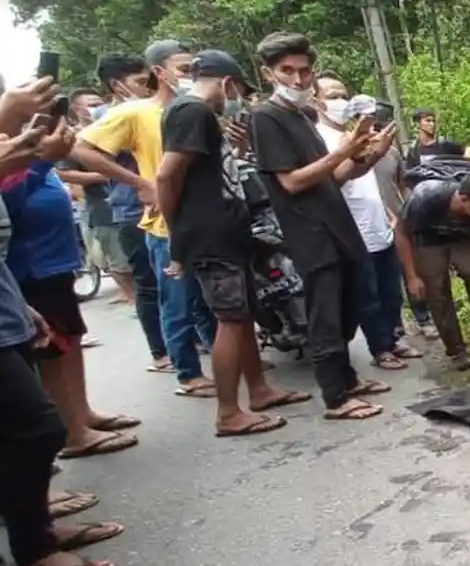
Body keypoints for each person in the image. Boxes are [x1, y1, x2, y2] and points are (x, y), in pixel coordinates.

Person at [158, 49, 311, 437]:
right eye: (239, 91)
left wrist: (238, 150)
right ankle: (229, 413)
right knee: (230, 319)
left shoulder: (204, 118)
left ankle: (258, 390)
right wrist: (179, 237)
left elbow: (211, 176)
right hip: (210, 238)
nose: (239, 99)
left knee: (243, 315)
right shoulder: (190, 112)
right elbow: (166, 177)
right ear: (227, 83)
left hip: (229, 232)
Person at [250, 32, 397, 420]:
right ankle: (335, 398)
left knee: (348, 309)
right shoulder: (265, 118)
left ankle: (347, 379)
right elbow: (292, 182)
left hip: (338, 225)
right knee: (326, 316)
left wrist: (366, 157)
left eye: (304, 71)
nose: (298, 80)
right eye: (287, 71)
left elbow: (332, 177)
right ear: (268, 74)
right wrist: (344, 151)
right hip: (310, 233)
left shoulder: (302, 116)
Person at [73, 40, 218, 397]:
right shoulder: (135, 113)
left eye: (196, 69)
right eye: (184, 70)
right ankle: (187, 373)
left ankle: (228, 358)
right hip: (167, 228)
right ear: (159, 72)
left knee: (211, 301)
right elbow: (79, 148)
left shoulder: (201, 108)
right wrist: (140, 182)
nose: (192, 77)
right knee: (177, 302)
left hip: (209, 222)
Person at [3, 116, 143, 459]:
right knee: (52, 351)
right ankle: (72, 430)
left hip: (56, 263)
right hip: (33, 266)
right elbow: (15, 201)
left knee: (70, 342)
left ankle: (82, 413)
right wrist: (41, 159)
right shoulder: (16, 160)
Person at [312, 73, 421, 370]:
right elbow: (335, 179)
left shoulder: (352, 133)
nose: (341, 101)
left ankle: (393, 340)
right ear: (316, 101)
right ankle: (380, 347)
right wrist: (367, 155)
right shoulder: (318, 138)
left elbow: (369, 180)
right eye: (333, 96)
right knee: (367, 293)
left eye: (343, 94)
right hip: (353, 227)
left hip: (377, 221)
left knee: (389, 289)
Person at [91, 53, 172, 373]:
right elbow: (82, 152)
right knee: (149, 284)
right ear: (117, 85)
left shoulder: (157, 109)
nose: (147, 87)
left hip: (168, 207)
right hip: (134, 209)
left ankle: (188, 341)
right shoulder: (114, 116)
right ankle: (160, 352)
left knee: (173, 280)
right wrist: (137, 181)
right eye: (140, 82)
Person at [400, 172, 470, 371]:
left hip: (460, 236)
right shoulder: (426, 200)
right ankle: (457, 350)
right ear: (463, 199)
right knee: (437, 290)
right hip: (427, 239)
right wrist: (412, 276)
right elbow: (402, 234)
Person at [58, 87, 136, 305]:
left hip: (134, 204)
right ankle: (134, 300)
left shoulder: (115, 128)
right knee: (118, 262)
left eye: (98, 102)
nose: (96, 107)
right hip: (102, 208)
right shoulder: (72, 139)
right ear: (76, 109)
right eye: (91, 104)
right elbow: (64, 173)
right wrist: (106, 174)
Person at [369, 113, 437, 342]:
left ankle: (423, 318)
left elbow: (403, 184)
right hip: (371, 223)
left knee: (412, 270)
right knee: (384, 279)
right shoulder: (354, 155)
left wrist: (412, 209)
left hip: (398, 218)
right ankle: (394, 325)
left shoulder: (393, 153)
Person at [405, 108, 470, 168]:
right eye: (428, 121)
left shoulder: (444, 144)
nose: (432, 124)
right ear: (417, 124)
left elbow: (468, 149)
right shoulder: (413, 151)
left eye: (433, 121)